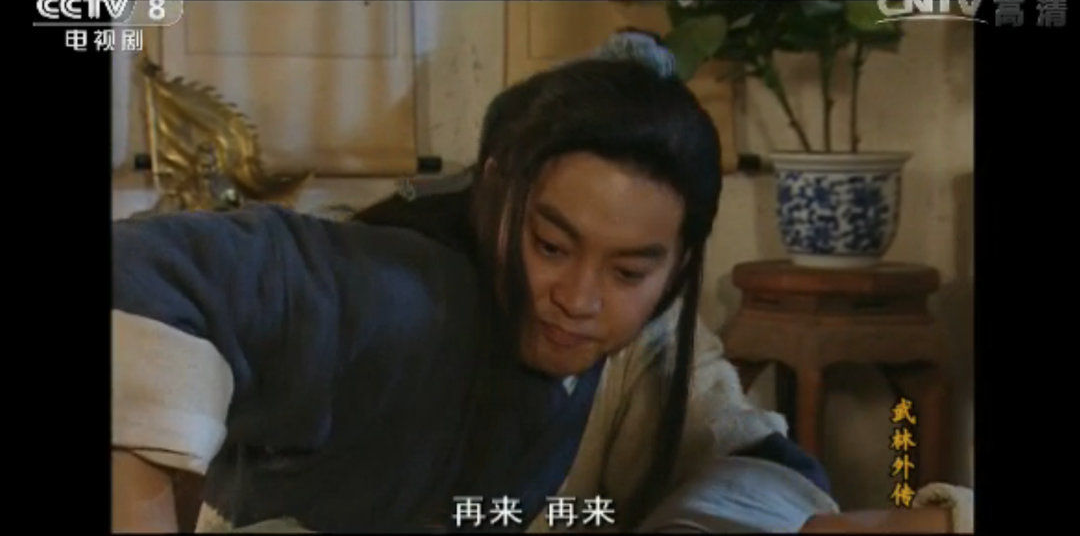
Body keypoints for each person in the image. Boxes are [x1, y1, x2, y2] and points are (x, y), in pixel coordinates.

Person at [111, 32, 972, 533]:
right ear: (498, 197)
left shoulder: (650, 343)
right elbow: (147, 271)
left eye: (631, 268)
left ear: (678, 263)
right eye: (552, 244)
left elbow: (755, 462)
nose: (581, 296)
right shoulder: (399, 290)